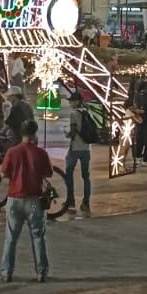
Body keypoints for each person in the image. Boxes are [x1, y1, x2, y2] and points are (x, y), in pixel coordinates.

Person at [0, 119, 51, 283]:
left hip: (14, 198)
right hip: (34, 199)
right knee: (38, 237)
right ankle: (41, 272)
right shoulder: (41, 153)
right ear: (35, 133)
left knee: (11, 238)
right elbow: (48, 173)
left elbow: (4, 173)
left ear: (21, 133)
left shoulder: (12, 152)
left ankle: (7, 272)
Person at [61, 90, 93, 218]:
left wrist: (67, 134)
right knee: (86, 177)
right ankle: (86, 203)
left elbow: (73, 133)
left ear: (77, 102)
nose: (70, 103)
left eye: (72, 101)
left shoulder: (74, 114)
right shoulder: (87, 112)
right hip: (86, 148)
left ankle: (71, 202)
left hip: (75, 148)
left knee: (68, 174)